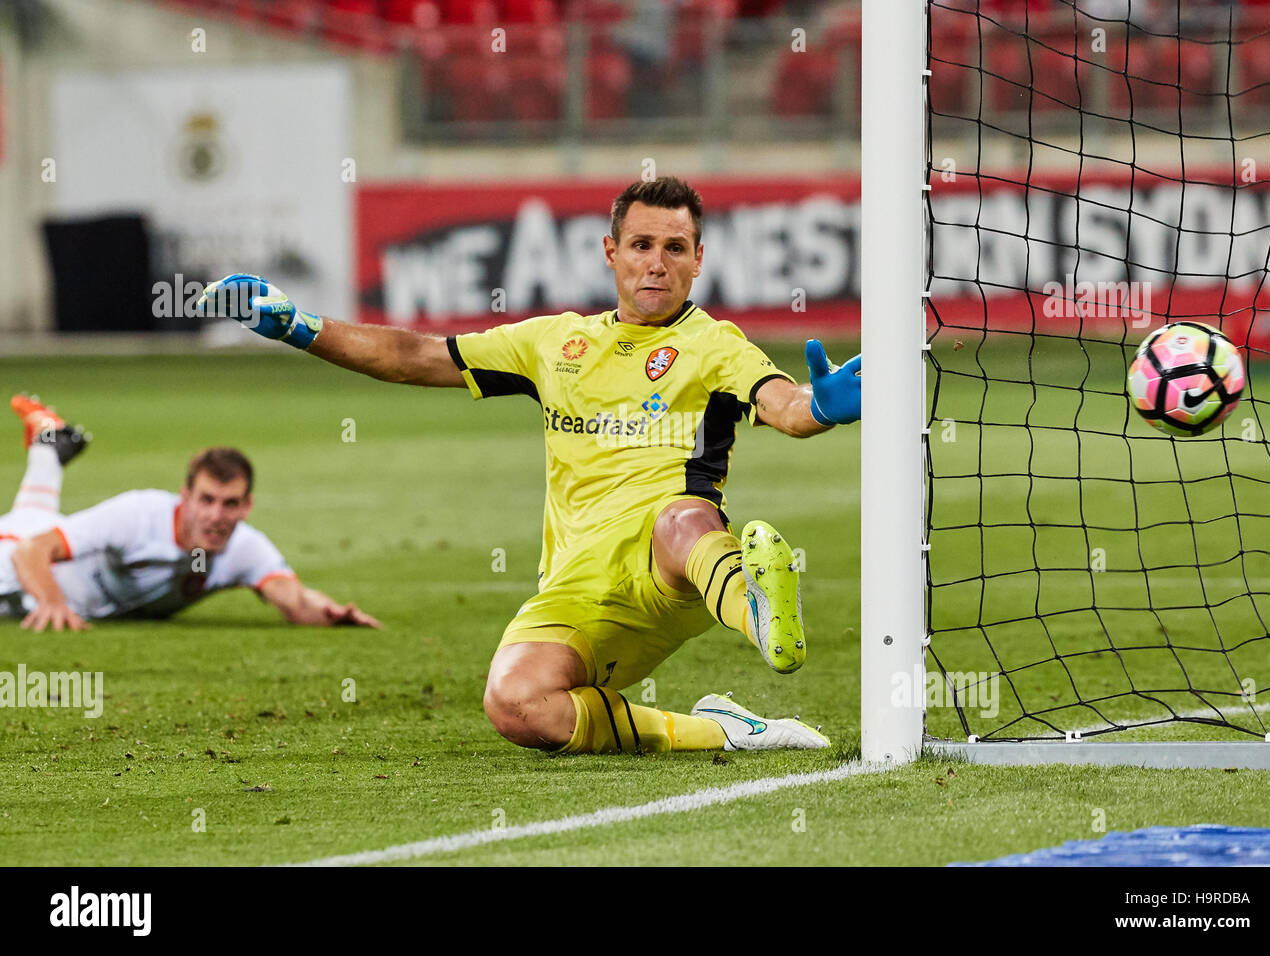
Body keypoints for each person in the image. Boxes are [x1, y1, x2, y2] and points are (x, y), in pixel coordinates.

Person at [202, 176, 860, 753]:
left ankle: (761, 615)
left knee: (682, 516)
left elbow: (784, 406)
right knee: (516, 704)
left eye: (675, 248)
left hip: (671, 568)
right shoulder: (555, 343)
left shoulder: (714, 344)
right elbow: (415, 354)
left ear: (698, 261)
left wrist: (821, 408)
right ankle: (719, 730)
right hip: (577, 585)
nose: (656, 264)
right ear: (611, 253)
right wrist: (297, 325)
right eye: (641, 245)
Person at [0, 395, 380, 631]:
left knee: (34, 515)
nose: (217, 515)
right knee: (26, 528)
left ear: (247, 507)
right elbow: (29, 551)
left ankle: (50, 442)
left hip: (48, 551)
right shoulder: (139, 514)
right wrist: (52, 602)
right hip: (19, 564)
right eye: (207, 500)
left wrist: (331, 613)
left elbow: (295, 601)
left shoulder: (245, 548)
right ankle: (50, 446)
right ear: (185, 497)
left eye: (230, 503)